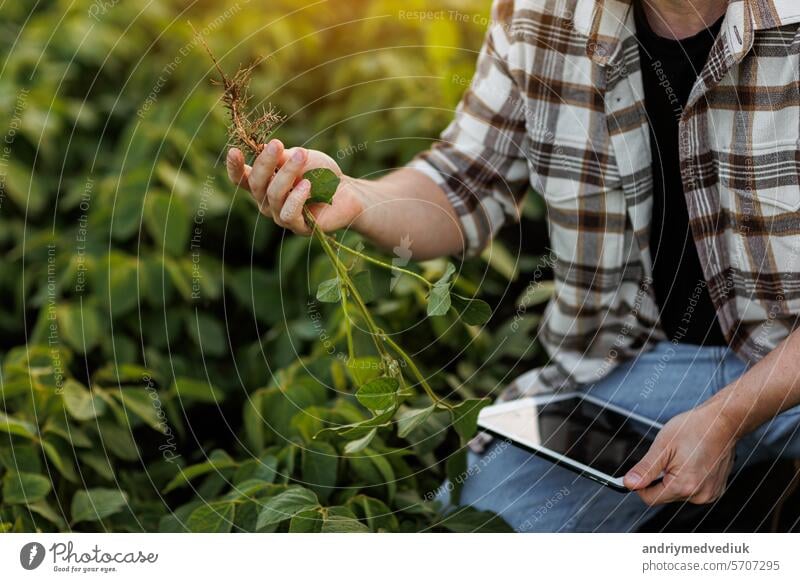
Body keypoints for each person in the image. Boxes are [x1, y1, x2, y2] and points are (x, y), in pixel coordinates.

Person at [226, 0, 800, 531]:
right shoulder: (537, 15)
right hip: (645, 369)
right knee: (477, 529)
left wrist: (727, 417)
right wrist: (356, 196)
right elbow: (461, 182)